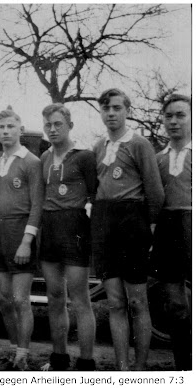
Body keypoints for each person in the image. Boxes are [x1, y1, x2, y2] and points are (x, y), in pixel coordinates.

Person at [92, 88, 164, 370]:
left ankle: (140, 366)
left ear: (127, 111)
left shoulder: (139, 144)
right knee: (115, 301)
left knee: (137, 301)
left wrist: (151, 228)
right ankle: (122, 366)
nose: (111, 113)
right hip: (105, 223)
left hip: (132, 222)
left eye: (116, 108)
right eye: (106, 108)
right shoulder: (98, 147)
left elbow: (155, 191)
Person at [39, 104, 98, 371]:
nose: (52, 129)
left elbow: (96, 196)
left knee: (80, 297)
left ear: (70, 126)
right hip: (50, 228)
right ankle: (59, 359)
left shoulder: (85, 156)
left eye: (58, 124)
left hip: (75, 228)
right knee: (54, 296)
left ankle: (86, 362)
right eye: (48, 125)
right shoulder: (44, 158)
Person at [0, 109, 43, 371]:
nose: (6, 131)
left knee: (21, 299)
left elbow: (37, 206)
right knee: (6, 299)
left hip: (20, 233)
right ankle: (12, 351)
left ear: (20, 129)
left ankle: (23, 353)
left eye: (11, 126)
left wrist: (26, 241)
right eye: (1, 127)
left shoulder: (31, 161)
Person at [149, 94, 192, 371]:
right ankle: (184, 368)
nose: (174, 121)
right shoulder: (157, 159)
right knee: (176, 304)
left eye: (181, 115)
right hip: (168, 228)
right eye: (169, 116)